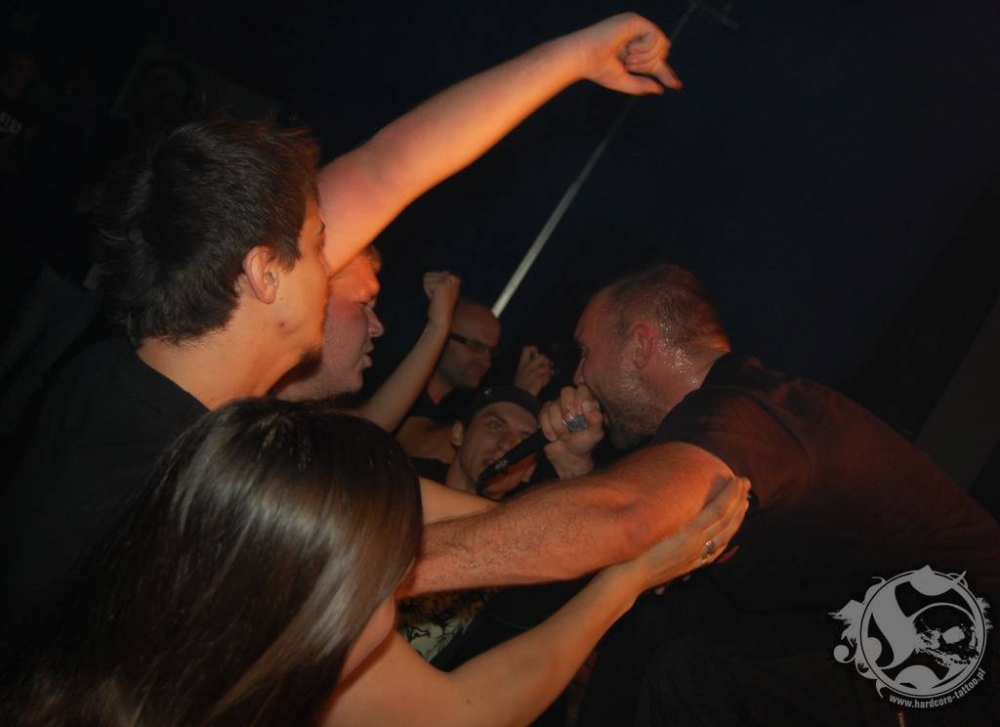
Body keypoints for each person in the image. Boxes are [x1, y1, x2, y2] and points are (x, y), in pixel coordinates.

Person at [1, 11, 685, 659]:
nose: (334, 258)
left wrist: (579, 53)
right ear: (263, 272)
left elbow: (390, 166)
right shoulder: (222, 478)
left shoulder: (120, 368)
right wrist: (631, 557)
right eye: (319, 246)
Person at [406, 263, 1000, 726]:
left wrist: (385, 567)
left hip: (960, 654)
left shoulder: (744, 413)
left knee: (686, 667)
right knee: (665, 636)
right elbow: (639, 541)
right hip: (865, 642)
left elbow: (623, 516)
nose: (578, 377)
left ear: (641, 345)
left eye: (586, 354)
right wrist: (576, 470)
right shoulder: (713, 420)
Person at [2, 398, 750, 726]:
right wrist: (626, 573)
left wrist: (603, 525)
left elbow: (505, 536)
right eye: (388, 572)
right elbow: (468, 712)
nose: (404, 588)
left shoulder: (233, 625)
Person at [274, 246, 463, 433]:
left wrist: (438, 326)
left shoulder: (287, 428)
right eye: (363, 304)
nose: (377, 328)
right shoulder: (259, 427)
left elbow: (369, 427)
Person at [396, 296, 557, 463]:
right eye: (476, 346)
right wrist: (519, 396)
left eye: (491, 351)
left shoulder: (467, 400)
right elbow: (417, 447)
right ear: (442, 336)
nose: (486, 361)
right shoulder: (396, 379)